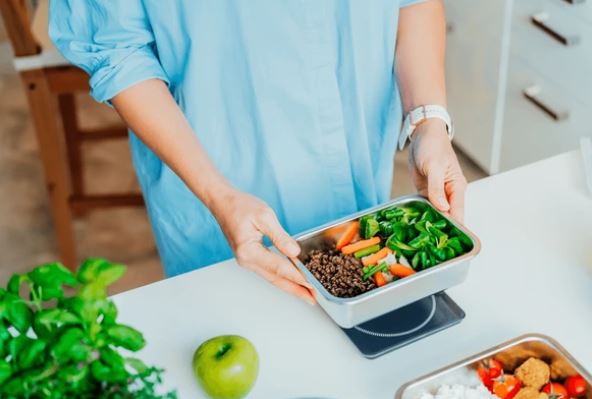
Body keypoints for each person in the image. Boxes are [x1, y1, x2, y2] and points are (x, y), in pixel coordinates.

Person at [49, 0, 467, 305]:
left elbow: (412, 5)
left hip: (358, 171)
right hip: (221, 187)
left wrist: (428, 120)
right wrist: (218, 195)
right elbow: (119, 54)